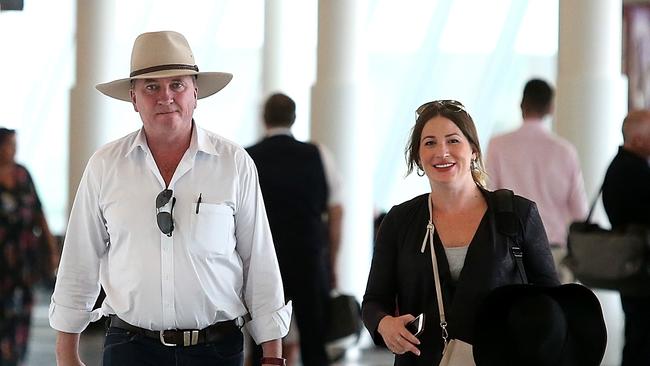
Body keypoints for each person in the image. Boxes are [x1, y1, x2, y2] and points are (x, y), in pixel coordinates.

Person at [49, 31, 291, 366]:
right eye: (151, 86)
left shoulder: (234, 164)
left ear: (195, 93)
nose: (166, 96)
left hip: (217, 349)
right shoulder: (105, 166)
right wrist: (66, 353)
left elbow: (259, 262)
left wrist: (272, 354)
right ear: (134, 98)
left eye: (176, 84)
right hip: (129, 348)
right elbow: (80, 258)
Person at [362, 99, 559, 365]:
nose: (442, 152)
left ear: (474, 151)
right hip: (423, 358)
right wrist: (384, 324)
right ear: (418, 156)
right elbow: (374, 301)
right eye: (429, 143)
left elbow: (552, 301)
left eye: (453, 141)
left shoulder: (517, 214)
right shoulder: (400, 221)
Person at [246, 93, 343, 366]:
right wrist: (332, 263)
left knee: (262, 343)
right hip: (309, 257)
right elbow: (336, 212)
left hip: (264, 261)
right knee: (314, 340)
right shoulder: (317, 154)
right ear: (294, 118)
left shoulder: (247, 158)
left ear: (264, 118)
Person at [486, 78, 588, 283]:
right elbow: (580, 212)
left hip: (510, 250)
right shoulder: (565, 151)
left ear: (522, 104)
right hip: (553, 251)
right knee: (557, 311)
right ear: (551, 108)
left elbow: (488, 195)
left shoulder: (498, 145)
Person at [0, 127, 59, 365]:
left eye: (15, 144)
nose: (14, 149)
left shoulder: (23, 174)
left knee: (22, 312)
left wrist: (51, 248)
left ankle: (15, 358)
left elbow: (38, 212)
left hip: (24, 259)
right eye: (9, 144)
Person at [602, 110, 650, 366]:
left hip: (634, 268)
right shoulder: (631, 171)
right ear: (639, 139)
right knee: (641, 340)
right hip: (640, 269)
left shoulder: (624, 166)